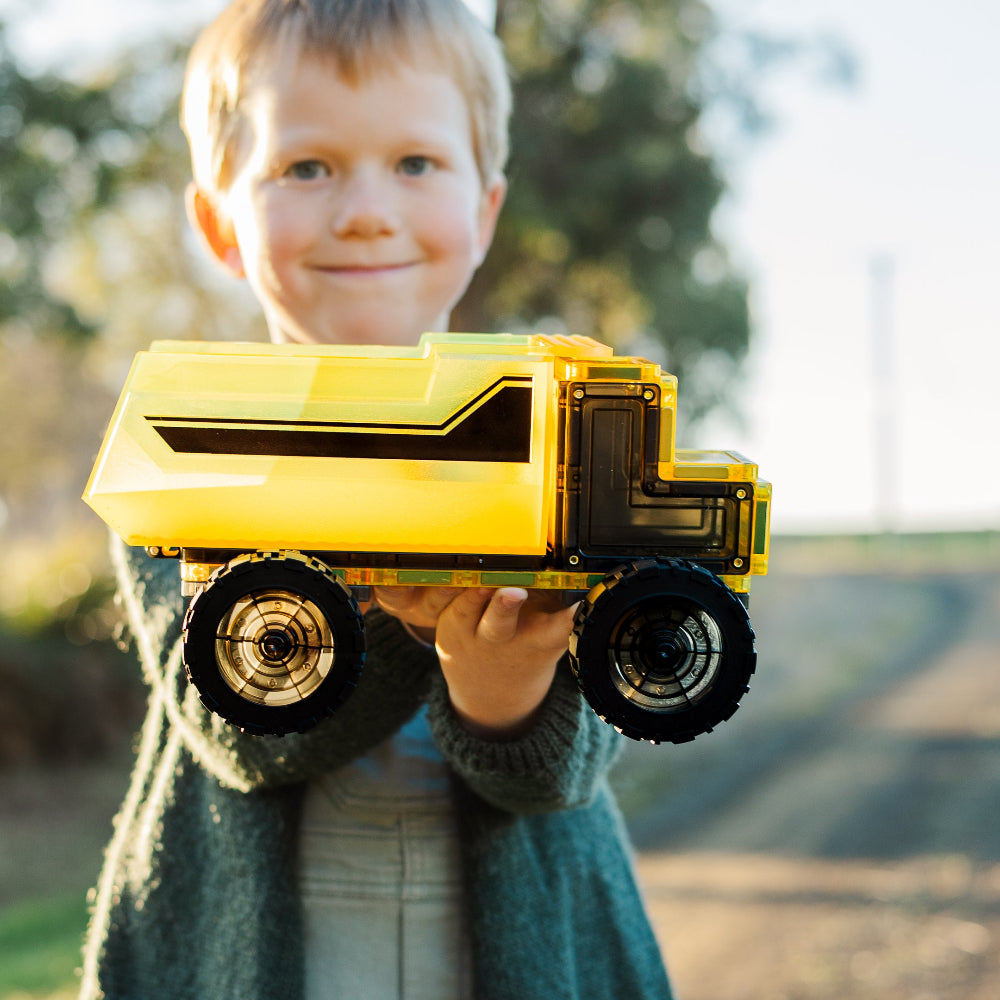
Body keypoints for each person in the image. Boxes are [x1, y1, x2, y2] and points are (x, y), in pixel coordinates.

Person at [79, 1, 673, 997]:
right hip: (248, 953)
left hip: (517, 952)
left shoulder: (557, 433)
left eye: (416, 164)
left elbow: (567, 770)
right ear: (221, 223)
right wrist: (404, 612)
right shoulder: (188, 444)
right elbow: (233, 729)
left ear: (483, 212)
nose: (364, 209)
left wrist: (502, 688)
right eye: (306, 167)